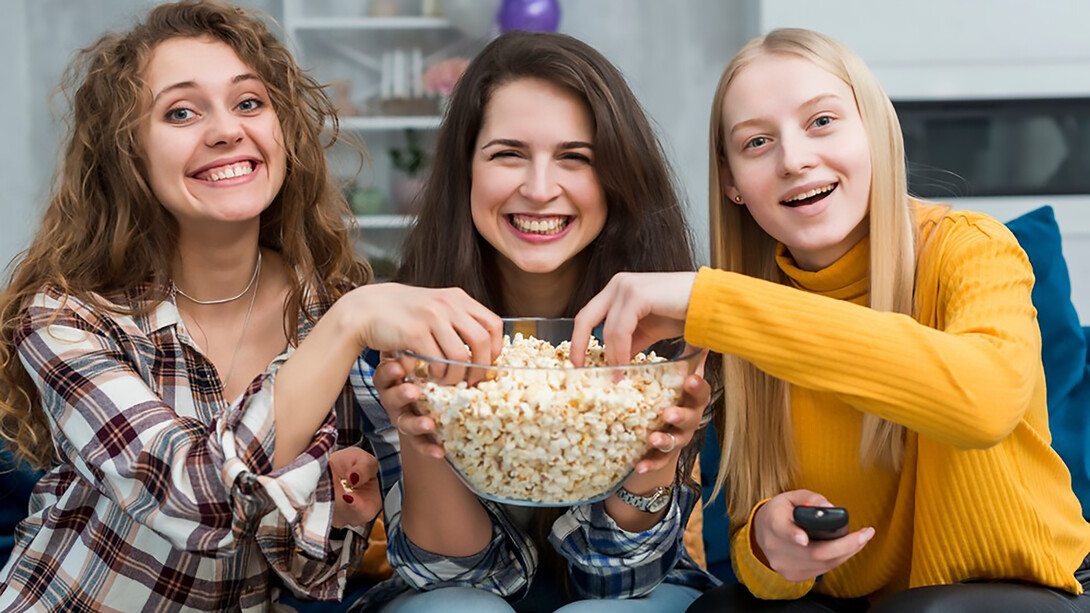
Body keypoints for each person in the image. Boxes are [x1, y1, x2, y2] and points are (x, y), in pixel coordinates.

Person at [0, 2, 504, 611]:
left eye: (248, 102)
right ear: (128, 154)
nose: (225, 130)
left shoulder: (336, 312)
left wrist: (386, 475)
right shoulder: (64, 317)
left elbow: (451, 569)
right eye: (181, 111)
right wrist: (346, 326)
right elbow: (195, 500)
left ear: (282, 130)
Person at [569, 27, 1090, 613]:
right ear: (732, 184)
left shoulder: (972, 250)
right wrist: (771, 544)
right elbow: (748, 550)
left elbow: (985, 402)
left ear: (875, 130)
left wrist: (714, 303)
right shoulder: (746, 312)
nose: (794, 159)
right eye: (758, 142)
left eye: (821, 122)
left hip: (1024, 594)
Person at [346, 31, 720, 613]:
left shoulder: (670, 333)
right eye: (507, 153)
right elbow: (455, 580)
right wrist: (424, 430)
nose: (541, 189)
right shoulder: (399, 332)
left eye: (576, 157)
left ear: (619, 176)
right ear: (465, 169)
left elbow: (619, 585)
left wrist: (657, 458)